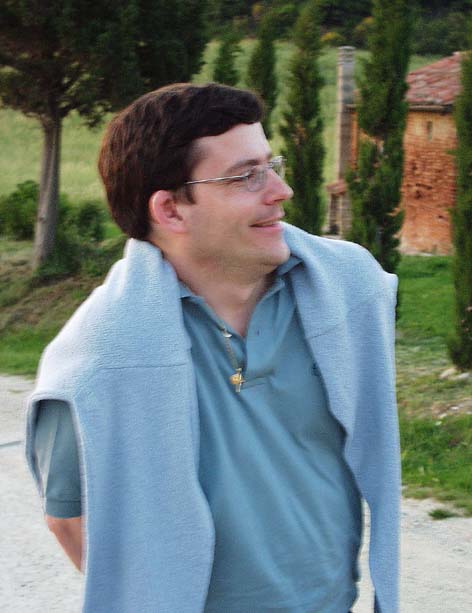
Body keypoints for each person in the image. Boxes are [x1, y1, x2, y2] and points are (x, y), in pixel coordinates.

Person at [25, 83, 400, 613]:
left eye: (272, 165)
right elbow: (70, 518)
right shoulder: (99, 360)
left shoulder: (344, 292)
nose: (282, 190)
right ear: (171, 210)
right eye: (246, 176)